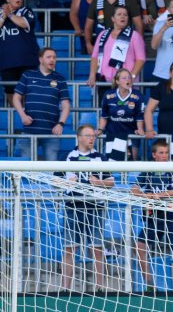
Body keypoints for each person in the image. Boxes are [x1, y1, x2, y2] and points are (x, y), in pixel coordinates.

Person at [60, 124, 113, 291]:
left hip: (95, 207)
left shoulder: (100, 157)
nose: (92, 138)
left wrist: (99, 183)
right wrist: (67, 183)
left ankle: (100, 288)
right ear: (79, 137)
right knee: (69, 248)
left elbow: (111, 182)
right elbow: (54, 180)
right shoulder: (68, 156)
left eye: (94, 136)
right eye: (88, 135)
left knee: (97, 249)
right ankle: (64, 289)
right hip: (73, 207)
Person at [132, 140, 173, 291]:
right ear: (154, 155)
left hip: (172, 215)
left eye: (166, 153)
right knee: (140, 247)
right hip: (153, 216)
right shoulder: (148, 170)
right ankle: (150, 285)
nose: (164, 156)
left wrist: (159, 195)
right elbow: (134, 189)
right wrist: (146, 196)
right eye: (161, 153)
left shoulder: (172, 169)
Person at [12, 47, 71, 161]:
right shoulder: (27, 75)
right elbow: (16, 98)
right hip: (29, 131)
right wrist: (23, 116)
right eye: (48, 57)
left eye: (54, 57)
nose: (52, 60)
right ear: (40, 59)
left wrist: (61, 124)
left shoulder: (60, 79)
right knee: (26, 169)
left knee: (51, 169)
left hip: (51, 133)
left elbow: (66, 105)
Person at [87, 5, 146, 87]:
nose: (123, 17)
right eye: (119, 14)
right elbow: (95, 57)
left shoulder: (135, 36)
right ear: (113, 19)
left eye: (125, 15)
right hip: (104, 81)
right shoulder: (103, 34)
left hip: (125, 82)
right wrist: (92, 75)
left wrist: (131, 77)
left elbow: (141, 59)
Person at [98, 68, 145, 161]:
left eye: (129, 77)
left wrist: (140, 129)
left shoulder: (138, 96)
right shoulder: (108, 95)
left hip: (131, 135)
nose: (128, 80)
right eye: (124, 78)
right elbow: (104, 116)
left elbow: (140, 117)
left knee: (131, 164)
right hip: (112, 134)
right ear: (117, 81)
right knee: (112, 165)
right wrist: (100, 129)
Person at [0, 0, 39, 107]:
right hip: (6, 61)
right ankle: (16, 118)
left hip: (27, 60)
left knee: (27, 91)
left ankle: (27, 116)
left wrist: (10, 14)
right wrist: (4, 14)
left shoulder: (26, 10)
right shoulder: (1, 12)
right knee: (10, 91)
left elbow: (24, 23)